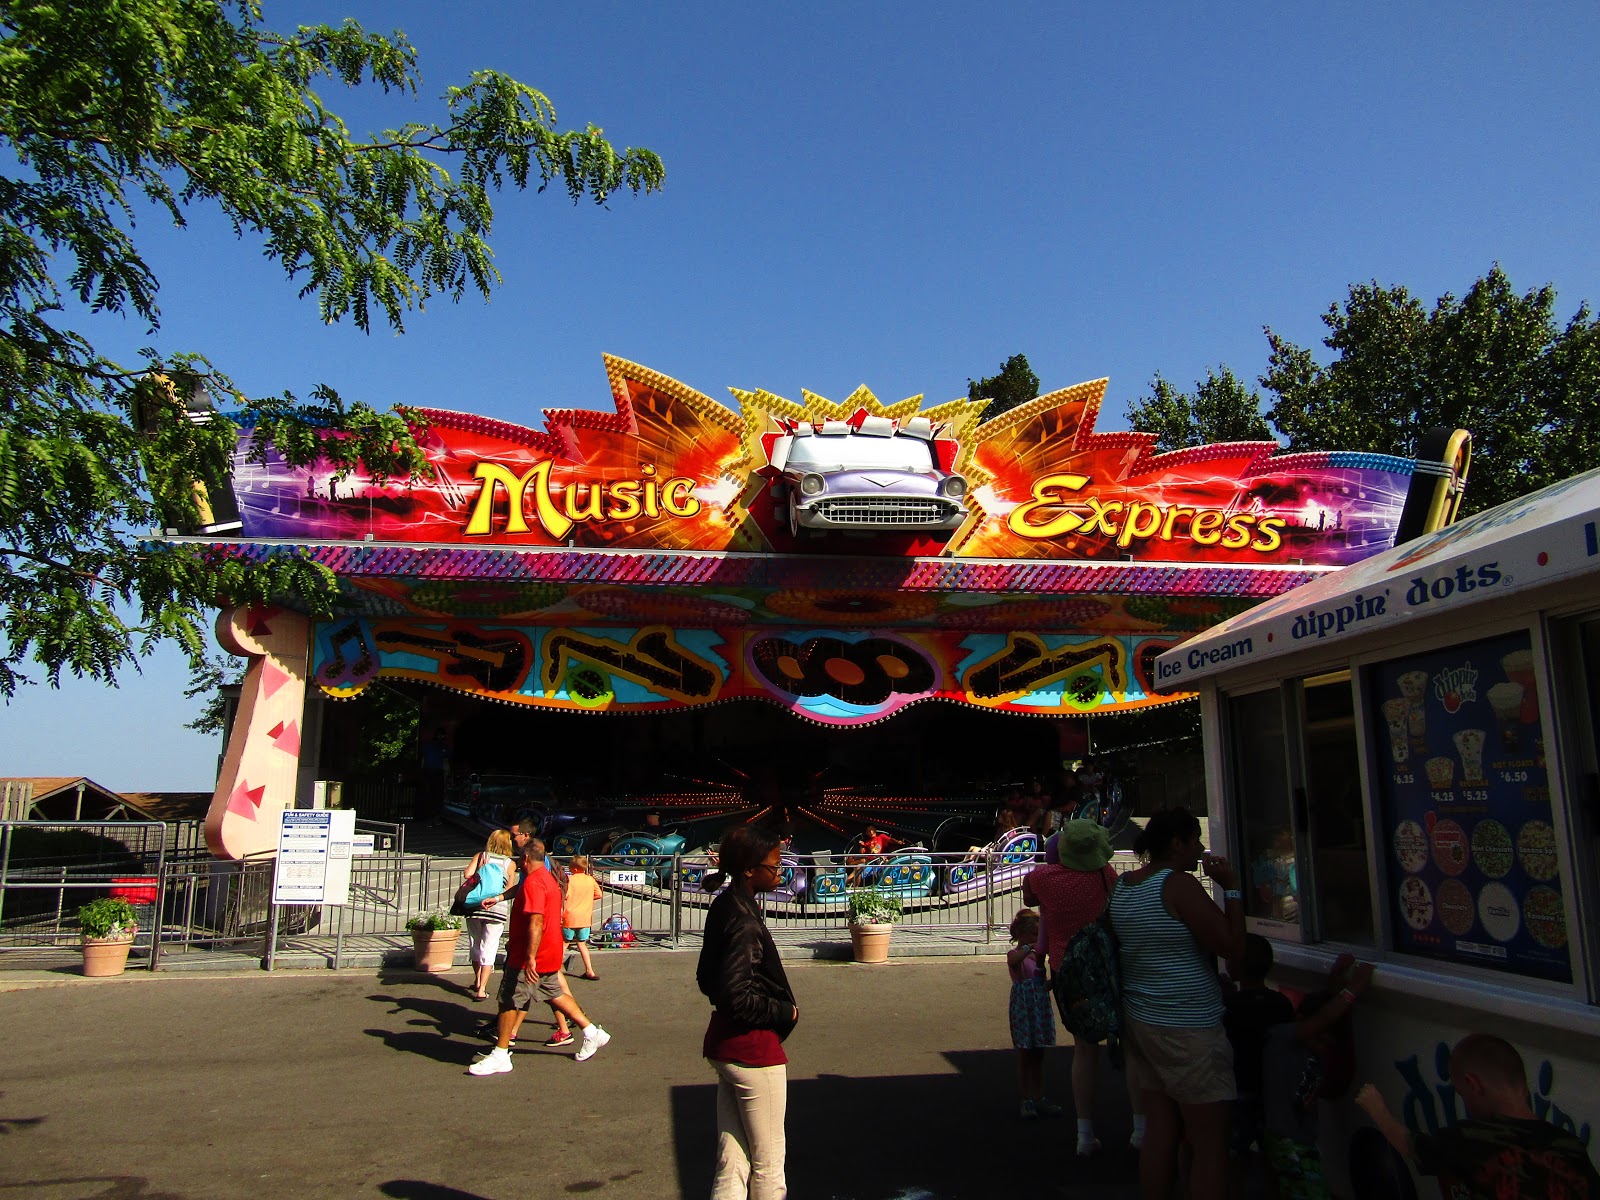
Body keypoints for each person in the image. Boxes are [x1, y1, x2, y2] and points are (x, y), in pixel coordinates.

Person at [1107, 807, 1245, 1200]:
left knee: (1160, 1132)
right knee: (1210, 1144)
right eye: (1194, 840)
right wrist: (1231, 888)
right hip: (1189, 1025)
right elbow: (1232, 946)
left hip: (1142, 1020)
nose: (1199, 849)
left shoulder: (1125, 886)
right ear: (1176, 843)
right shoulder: (1178, 885)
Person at [1357, 1034, 1600, 1199]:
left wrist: (1377, 1110)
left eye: (1463, 1094)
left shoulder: (1469, 1137)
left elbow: (1410, 1145)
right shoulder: (1570, 1144)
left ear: (1474, 1085)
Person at [697, 823, 799, 1200]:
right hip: (755, 1051)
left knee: (732, 1159)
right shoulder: (743, 918)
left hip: (724, 1046)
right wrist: (783, 1012)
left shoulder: (726, 905)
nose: (780, 871)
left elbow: (707, 977)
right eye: (774, 866)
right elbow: (735, 994)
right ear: (749, 870)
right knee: (769, 1163)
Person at [1022, 820, 1122, 1154]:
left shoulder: (1043, 877)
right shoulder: (1104, 874)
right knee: (1133, 1046)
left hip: (1067, 968)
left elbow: (1029, 894)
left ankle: (1084, 1133)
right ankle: (1140, 1127)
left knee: (1084, 1049)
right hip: (1106, 964)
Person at [469, 839, 610, 1075]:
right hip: (549, 949)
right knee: (553, 992)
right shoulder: (545, 877)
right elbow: (525, 896)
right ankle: (592, 1032)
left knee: (509, 999)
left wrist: (530, 956)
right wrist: (500, 898)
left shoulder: (534, 882)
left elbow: (536, 920)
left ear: (525, 859)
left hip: (531, 953)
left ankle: (501, 1053)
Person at [1258, 959, 1375, 1200]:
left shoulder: (1306, 1047)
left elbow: (1324, 1012)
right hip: (1288, 1140)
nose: (1323, 1045)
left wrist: (1335, 980)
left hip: (1299, 1140)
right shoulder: (1282, 1040)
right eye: (1320, 1038)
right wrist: (1355, 986)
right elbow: (1324, 1016)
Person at [1006, 908, 1061, 1120]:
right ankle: (1025, 1099)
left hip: (1038, 1005)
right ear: (1021, 935)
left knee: (1038, 1055)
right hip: (1023, 1008)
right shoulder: (1016, 954)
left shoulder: (1037, 959)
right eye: (1034, 934)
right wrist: (1030, 948)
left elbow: (1042, 984)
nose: (1038, 940)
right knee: (1024, 1055)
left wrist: (1052, 982)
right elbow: (1013, 961)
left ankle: (1038, 1097)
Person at [462, 829, 516, 1001]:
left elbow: (467, 874)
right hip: (497, 907)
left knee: (475, 943)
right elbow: (509, 889)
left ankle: (477, 980)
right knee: (490, 946)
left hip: (476, 904)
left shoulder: (481, 856)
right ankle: (482, 988)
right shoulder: (510, 863)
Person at [562, 855, 604, 981]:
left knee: (564, 943)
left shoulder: (569, 880)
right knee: (582, 943)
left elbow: (565, 896)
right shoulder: (590, 880)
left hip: (569, 916)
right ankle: (589, 970)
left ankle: (555, 970)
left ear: (573, 869)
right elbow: (599, 894)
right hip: (585, 917)